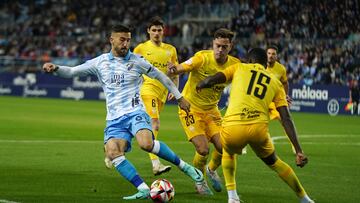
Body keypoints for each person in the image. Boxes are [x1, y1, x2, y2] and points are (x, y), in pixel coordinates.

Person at [42, 24, 204, 200]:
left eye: (128, 40)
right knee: (112, 152)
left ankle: (185, 167)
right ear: (112, 40)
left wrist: (179, 97)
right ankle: (143, 188)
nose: (126, 43)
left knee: (146, 143)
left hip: (136, 111)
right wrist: (56, 68)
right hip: (114, 119)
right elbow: (73, 71)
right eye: (122, 39)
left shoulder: (137, 61)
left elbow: (162, 77)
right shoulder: (100, 62)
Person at [196, 48, 314, 203]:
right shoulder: (276, 83)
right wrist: (298, 150)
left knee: (228, 152)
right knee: (275, 162)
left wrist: (202, 83)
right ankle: (304, 198)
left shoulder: (239, 67)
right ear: (265, 64)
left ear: (249, 60)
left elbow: (214, 79)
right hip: (259, 128)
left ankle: (232, 197)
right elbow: (286, 118)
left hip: (233, 126)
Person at [168, 28, 241, 195]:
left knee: (225, 147)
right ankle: (199, 181)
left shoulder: (236, 65)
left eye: (224, 47)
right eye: (218, 46)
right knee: (203, 149)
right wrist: (174, 69)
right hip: (190, 109)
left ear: (230, 47)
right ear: (212, 44)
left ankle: (211, 169)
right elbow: (184, 66)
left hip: (212, 111)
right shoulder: (202, 57)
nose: (220, 50)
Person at [133, 16, 179, 175]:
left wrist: (175, 90)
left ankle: (115, 148)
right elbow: (131, 68)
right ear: (148, 31)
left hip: (162, 93)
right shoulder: (141, 48)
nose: (157, 33)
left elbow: (175, 72)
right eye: (154, 30)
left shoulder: (171, 49)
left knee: (142, 126)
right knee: (155, 123)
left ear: (163, 31)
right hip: (147, 89)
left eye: (159, 30)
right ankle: (155, 163)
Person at [266, 45, 296, 153]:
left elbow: (285, 83)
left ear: (276, 56)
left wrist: (285, 96)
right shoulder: (260, 66)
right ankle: (242, 145)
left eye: (273, 54)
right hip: (262, 100)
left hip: (274, 101)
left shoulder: (281, 69)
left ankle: (294, 144)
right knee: (253, 121)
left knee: (285, 121)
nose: (270, 56)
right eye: (269, 53)